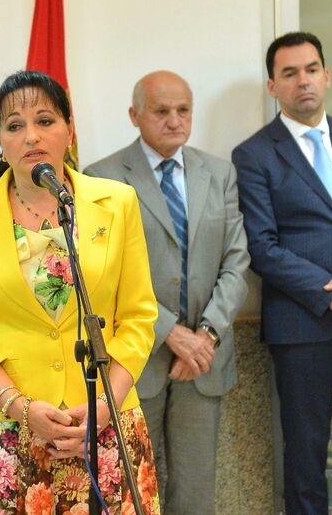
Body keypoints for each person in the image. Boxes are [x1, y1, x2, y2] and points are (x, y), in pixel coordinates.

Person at [0, 70, 161, 513]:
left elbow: (138, 318)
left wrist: (102, 407)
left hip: (103, 424)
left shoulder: (116, 203)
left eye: (45, 120)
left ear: (69, 129)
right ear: (0, 140)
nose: (31, 136)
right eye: (14, 126)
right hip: (4, 433)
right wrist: (22, 408)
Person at [84, 70, 249, 513]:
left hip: (203, 361)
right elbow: (106, 275)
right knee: (137, 488)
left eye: (183, 110)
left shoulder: (219, 173)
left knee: (196, 491)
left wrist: (206, 336)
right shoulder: (101, 179)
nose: (174, 120)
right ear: (135, 115)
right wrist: (171, 333)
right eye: (161, 111)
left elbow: (236, 261)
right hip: (136, 361)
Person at [232, 32, 332, 514]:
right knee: (306, 457)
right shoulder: (253, 155)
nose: (302, 81)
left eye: (311, 69)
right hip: (302, 324)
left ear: (327, 77)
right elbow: (263, 248)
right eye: (289, 73)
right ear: (273, 86)